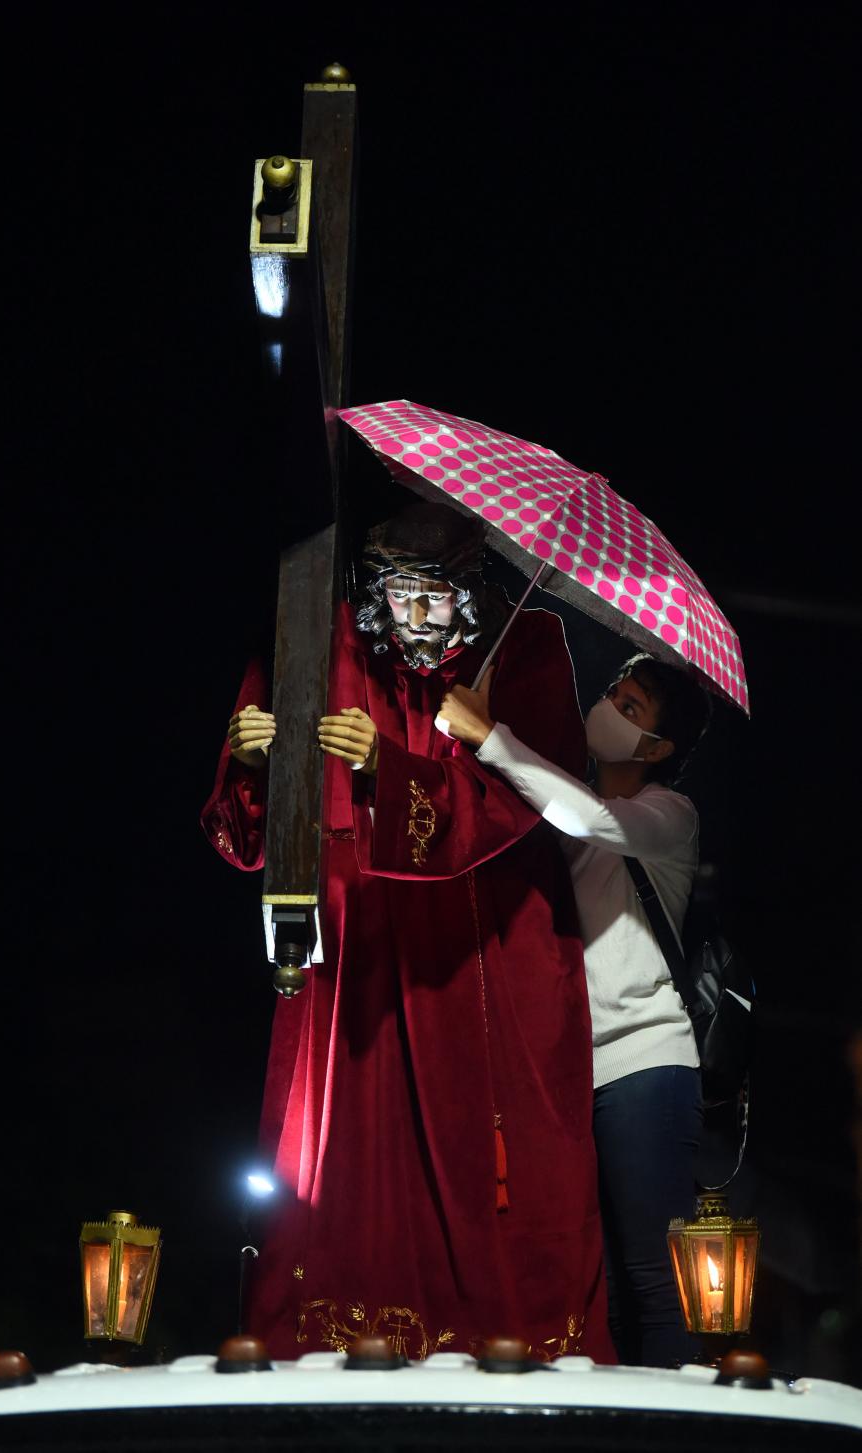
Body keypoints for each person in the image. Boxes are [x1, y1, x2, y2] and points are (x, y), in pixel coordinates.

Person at [202, 502, 614, 1362]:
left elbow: (532, 804)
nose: (413, 619)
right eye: (397, 599)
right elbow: (251, 841)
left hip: (483, 946)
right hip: (360, 952)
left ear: (469, 587)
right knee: (345, 1163)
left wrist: (394, 769)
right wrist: (249, 761)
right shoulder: (319, 635)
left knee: (497, 1174)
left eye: (433, 599)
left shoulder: (523, 643)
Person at [437, 651, 712, 1366]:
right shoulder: (564, 797)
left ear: (658, 748)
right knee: (602, 1287)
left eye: (632, 709)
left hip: (645, 1064)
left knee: (656, 1281)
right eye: (613, 693)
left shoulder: (668, 816)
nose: (610, 708)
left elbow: (588, 817)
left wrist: (489, 733)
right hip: (569, 1074)